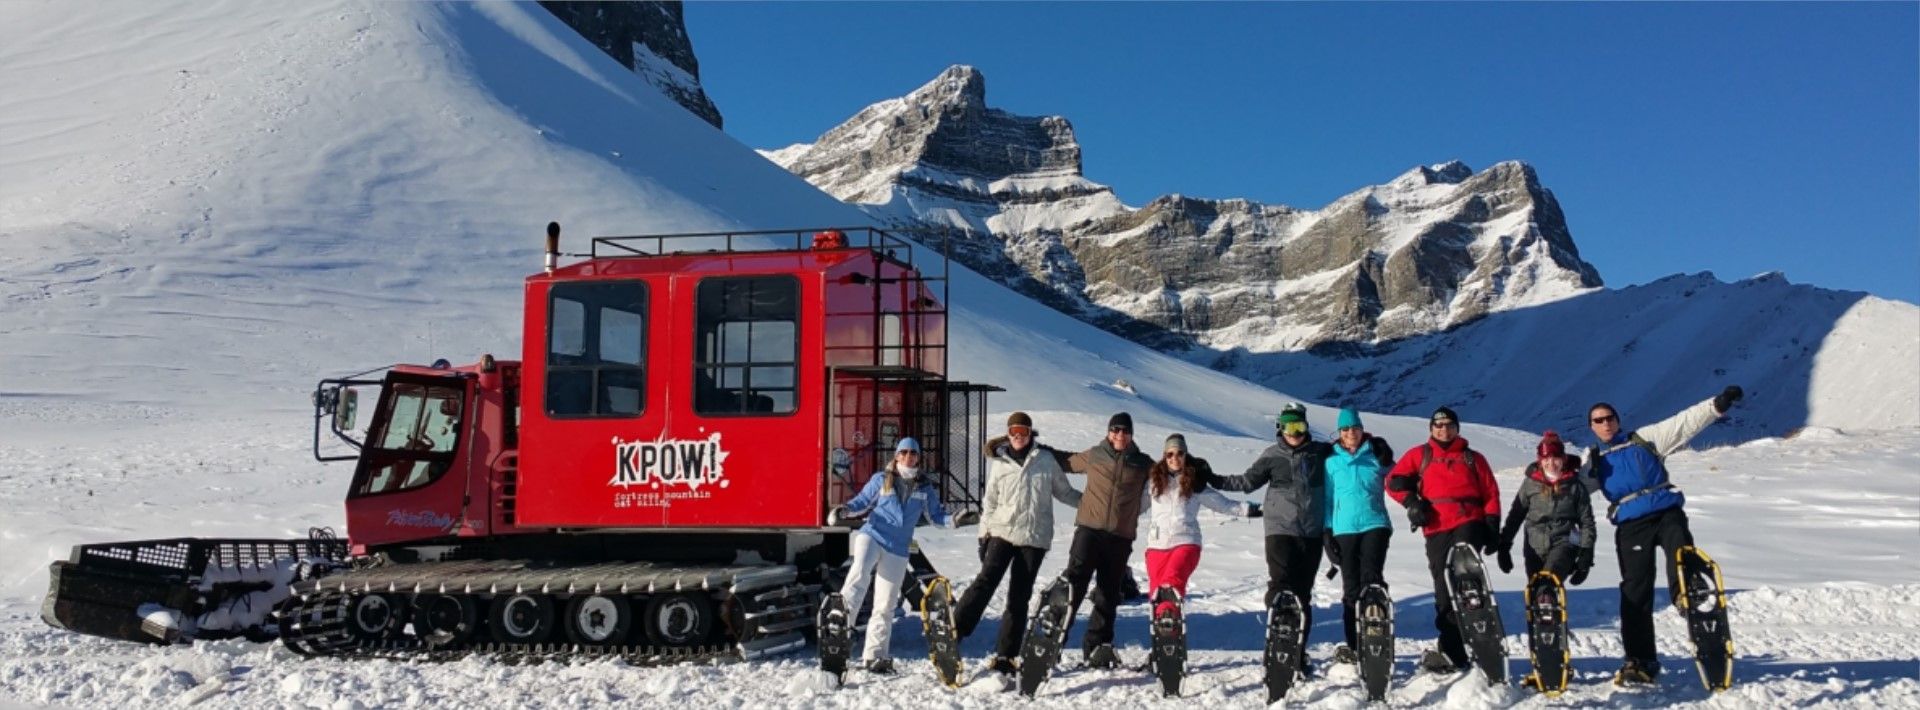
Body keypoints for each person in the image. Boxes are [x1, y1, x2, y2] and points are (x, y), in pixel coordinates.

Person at [1580, 386, 1743, 685]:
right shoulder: (1592, 461)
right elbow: (1569, 489)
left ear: (1617, 420)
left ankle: (1686, 593)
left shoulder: (1644, 439)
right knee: (1635, 591)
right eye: (1598, 420)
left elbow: (1684, 423)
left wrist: (1717, 405)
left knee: (1680, 548)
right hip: (1630, 524)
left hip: (1665, 509)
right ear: (1591, 427)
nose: (1605, 424)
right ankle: (1640, 660)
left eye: (1609, 418)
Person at [1204, 402, 1333, 677]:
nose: (1294, 432)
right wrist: (1213, 478)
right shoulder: (1272, 456)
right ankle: (1278, 639)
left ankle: (1296, 652)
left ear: (1306, 427)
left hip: (1311, 531)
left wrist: (1371, 443)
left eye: (1299, 426)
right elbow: (1246, 482)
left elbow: (1348, 454)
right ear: (1280, 428)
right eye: (1288, 426)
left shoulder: (1321, 453)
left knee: (1302, 594)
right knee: (1280, 585)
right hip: (1279, 529)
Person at [953, 411, 1083, 676]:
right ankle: (955, 629)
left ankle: (1007, 655)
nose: (1018, 437)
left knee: (1018, 596)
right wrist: (983, 534)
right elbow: (989, 503)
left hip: (1034, 538)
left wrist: (1093, 506)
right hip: (1002, 532)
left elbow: (1065, 493)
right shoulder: (1000, 464)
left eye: (1022, 432)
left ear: (1030, 434)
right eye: (1013, 433)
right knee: (986, 580)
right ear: (1008, 434)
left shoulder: (1045, 460)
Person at [831, 437, 976, 674]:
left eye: (913, 453)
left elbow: (936, 517)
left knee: (885, 603)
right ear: (897, 456)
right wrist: (844, 511)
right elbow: (862, 502)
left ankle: (875, 656)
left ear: (918, 457)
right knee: (859, 575)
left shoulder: (924, 487)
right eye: (904, 452)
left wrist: (956, 520)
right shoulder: (882, 479)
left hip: (898, 548)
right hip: (873, 535)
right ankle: (839, 623)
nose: (908, 456)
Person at [1385, 406, 1501, 675]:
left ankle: (1483, 641)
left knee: (1467, 583)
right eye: (1438, 426)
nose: (1444, 430)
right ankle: (1452, 648)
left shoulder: (1473, 458)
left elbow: (1491, 493)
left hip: (1468, 521)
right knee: (1443, 586)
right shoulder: (1420, 455)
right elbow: (1393, 482)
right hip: (1436, 527)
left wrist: (1492, 526)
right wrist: (1412, 503)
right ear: (1431, 429)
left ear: (1457, 428)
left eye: (1449, 425)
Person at [1050, 412, 1156, 669]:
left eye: (1124, 431)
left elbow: (1168, 475)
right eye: (1115, 430)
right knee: (1074, 584)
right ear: (1108, 432)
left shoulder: (1143, 463)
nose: (1119, 435)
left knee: (1108, 593)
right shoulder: (1095, 454)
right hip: (1089, 530)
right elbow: (1066, 461)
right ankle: (1052, 641)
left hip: (1120, 537)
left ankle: (1098, 646)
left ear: (1131, 434)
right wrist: (1032, 446)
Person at [1142, 433, 1262, 610]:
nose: (1175, 458)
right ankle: (1166, 629)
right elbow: (1137, 507)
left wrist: (1251, 509)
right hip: (1156, 546)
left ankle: (1170, 617)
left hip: (1185, 542)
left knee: (1171, 582)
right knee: (1156, 593)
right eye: (1170, 454)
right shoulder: (1154, 483)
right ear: (1164, 456)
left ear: (1186, 455)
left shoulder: (1194, 482)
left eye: (1179, 453)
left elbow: (1223, 504)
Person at [1321, 408, 1395, 665]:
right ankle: (1355, 644)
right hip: (1344, 529)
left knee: (1372, 580)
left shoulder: (1375, 454)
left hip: (1375, 524)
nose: (1350, 433)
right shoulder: (1330, 461)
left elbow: (1399, 479)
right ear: (1339, 433)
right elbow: (1328, 499)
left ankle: (1378, 634)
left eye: (1354, 428)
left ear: (1362, 429)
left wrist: (1388, 458)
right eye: (1345, 429)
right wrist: (1327, 532)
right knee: (1351, 586)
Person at [1497, 431, 1597, 583]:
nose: (1551, 463)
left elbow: (1586, 521)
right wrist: (1504, 546)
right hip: (1533, 545)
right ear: (1540, 461)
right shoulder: (1531, 484)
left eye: (1556, 458)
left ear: (1563, 459)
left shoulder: (1575, 486)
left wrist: (1586, 553)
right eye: (1546, 459)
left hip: (1564, 542)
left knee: (1549, 582)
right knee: (1536, 587)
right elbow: (1516, 516)